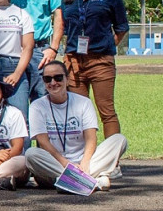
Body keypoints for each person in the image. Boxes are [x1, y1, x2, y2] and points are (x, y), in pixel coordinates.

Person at [25, 61, 128, 191]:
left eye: (58, 78)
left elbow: (91, 138)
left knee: (119, 140)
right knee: (31, 154)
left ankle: (69, 182)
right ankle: (91, 181)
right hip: (56, 162)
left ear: (67, 80)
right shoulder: (37, 106)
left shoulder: (83, 103)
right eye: (47, 79)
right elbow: (43, 142)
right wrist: (66, 164)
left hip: (85, 162)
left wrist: (85, 163)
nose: (53, 83)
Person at [61, 0, 129, 137]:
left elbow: (121, 27)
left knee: (106, 111)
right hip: (74, 62)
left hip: (100, 61)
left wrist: (106, 45)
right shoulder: (68, 0)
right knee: (79, 114)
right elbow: (65, 28)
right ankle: (84, 159)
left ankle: (111, 159)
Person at [4, 0, 64, 101]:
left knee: (43, 100)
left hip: (40, 51)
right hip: (11, 52)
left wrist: (53, 48)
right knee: (14, 102)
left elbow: (58, 14)